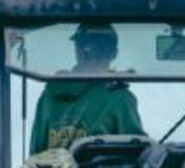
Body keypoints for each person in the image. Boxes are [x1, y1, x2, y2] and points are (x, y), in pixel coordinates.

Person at [28, 23, 146, 154]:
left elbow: (35, 156)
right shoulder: (120, 98)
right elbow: (137, 153)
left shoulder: (50, 93)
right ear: (113, 53)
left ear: (77, 51)